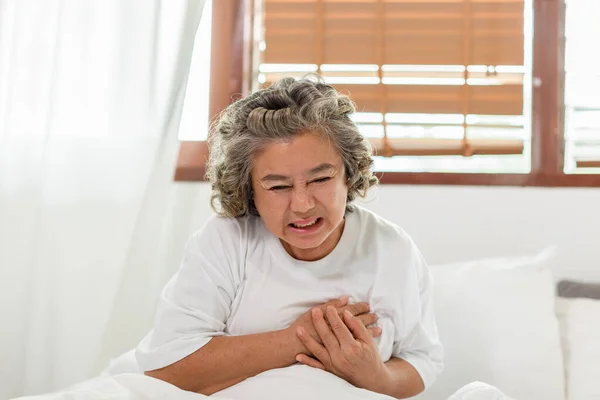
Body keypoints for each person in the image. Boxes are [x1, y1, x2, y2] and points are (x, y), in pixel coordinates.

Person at [135, 75, 444, 399]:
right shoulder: (227, 241)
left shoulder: (390, 249)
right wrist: (300, 336)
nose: (302, 205)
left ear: (349, 173)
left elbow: (422, 360)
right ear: (249, 190)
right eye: (278, 186)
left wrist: (376, 377)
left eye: (321, 178)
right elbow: (165, 369)